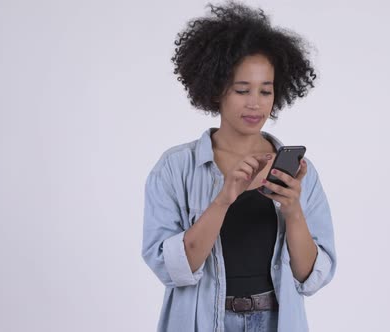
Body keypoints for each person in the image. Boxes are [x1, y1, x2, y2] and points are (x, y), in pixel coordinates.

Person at [142, 2, 336, 331]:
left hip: (277, 322)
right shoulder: (176, 168)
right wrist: (223, 199)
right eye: (242, 90)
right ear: (217, 89)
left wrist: (293, 211)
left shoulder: (300, 172)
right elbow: (171, 269)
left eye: (266, 91)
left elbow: (310, 277)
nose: (254, 103)